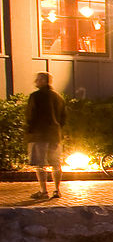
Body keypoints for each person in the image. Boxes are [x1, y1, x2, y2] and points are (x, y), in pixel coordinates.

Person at [25, 72, 67, 200]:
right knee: (56, 163)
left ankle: (43, 191)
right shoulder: (58, 97)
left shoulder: (35, 96)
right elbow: (63, 118)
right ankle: (57, 190)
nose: (35, 82)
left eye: (38, 79)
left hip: (39, 135)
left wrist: (29, 131)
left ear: (43, 80)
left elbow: (30, 116)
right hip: (55, 135)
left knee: (40, 164)